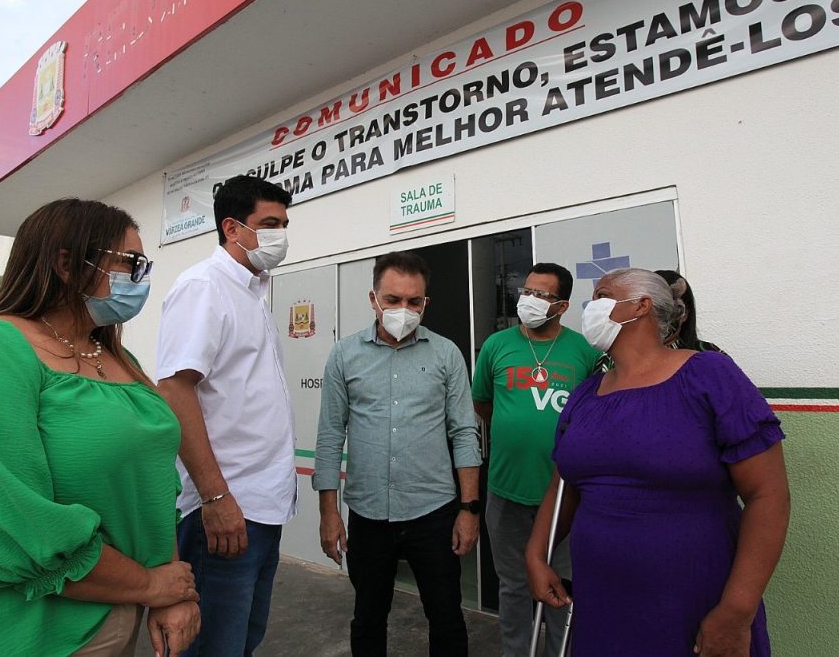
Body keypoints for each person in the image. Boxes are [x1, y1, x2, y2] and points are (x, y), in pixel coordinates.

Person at [0, 198, 199, 656]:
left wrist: (171, 589)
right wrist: (149, 585)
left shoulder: (117, 357)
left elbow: (154, 485)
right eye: (129, 263)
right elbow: (1, 518)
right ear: (67, 264)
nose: (141, 279)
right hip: (17, 631)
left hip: (118, 610)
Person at [526, 267, 790, 656]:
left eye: (602, 296)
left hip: (692, 601)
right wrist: (536, 554)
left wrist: (736, 612)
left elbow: (768, 495)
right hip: (602, 602)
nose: (590, 308)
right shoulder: (586, 394)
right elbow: (563, 484)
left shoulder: (709, 375)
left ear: (641, 306)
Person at [314, 251, 482, 657]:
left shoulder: (446, 354)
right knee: (368, 619)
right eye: (393, 299)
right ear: (373, 299)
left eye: (413, 301)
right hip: (368, 514)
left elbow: (464, 432)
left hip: (433, 513)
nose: (403, 309)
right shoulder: (344, 355)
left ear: (426, 303)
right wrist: (329, 513)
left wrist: (469, 509)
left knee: (446, 618)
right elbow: (331, 435)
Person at [156, 175, 297, 656]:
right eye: (270, 224)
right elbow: (175, 389)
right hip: (225, 510)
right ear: (232, 228)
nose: (280, 235)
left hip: (261, 508)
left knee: (241, 641)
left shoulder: (252, 293)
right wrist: (216, 497)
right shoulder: (204, 287)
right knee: (214, 646)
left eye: (284, 224)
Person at [471, 262, 601, 656]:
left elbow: (594, 413)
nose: (529, 299)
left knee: (562, 585)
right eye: (527, 291)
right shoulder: (496, 346)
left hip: (565, 496)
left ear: (561, 306)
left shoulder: (584, 351)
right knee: (512, 585)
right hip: (506, 490)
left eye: (541, 294)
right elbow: (484, 403)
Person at [655, 269, 727, 354]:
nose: (662, 316)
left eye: (672, 309)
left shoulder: (708, 354)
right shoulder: (640, 356)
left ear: (685, 314)